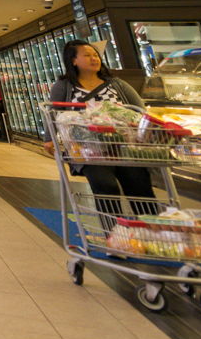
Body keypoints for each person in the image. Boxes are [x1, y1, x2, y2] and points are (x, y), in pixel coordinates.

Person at [47, 40, 158, 217]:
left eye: (96, 55)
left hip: (124, 147)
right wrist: (49, 138)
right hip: (87, 150)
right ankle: (113, 232)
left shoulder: (117, 84)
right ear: (73, 60)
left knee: (139, 186)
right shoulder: (64, 86)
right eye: (87, 55)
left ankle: (151, 229)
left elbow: (140, 111)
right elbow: (53, 112)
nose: (94, 59)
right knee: (106, 186)